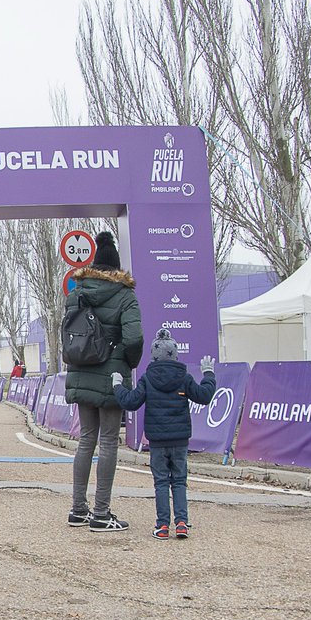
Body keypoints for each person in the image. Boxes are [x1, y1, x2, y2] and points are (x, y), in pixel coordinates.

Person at [64, 230, 144, 532]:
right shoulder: (125, 295)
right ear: (117, 267)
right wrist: (126, 362)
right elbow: (134, 338)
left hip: (81, 370)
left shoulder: (77, 293)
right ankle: (101, 513)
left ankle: (78, 509)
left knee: (86, 439)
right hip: (112, 375)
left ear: (95, 263)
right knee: (109, 441)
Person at [113, 329, 216, 539]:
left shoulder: (147, 378)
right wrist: (208, 374)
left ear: (153, 356)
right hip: (180, 439)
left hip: (157, 440)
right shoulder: (184, 377)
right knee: (179, 481)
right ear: (175, 354)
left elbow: (130, 402)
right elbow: (204, 396)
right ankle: (181, 523)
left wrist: (117, 386)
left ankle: (162, 526)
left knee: (161, 482)